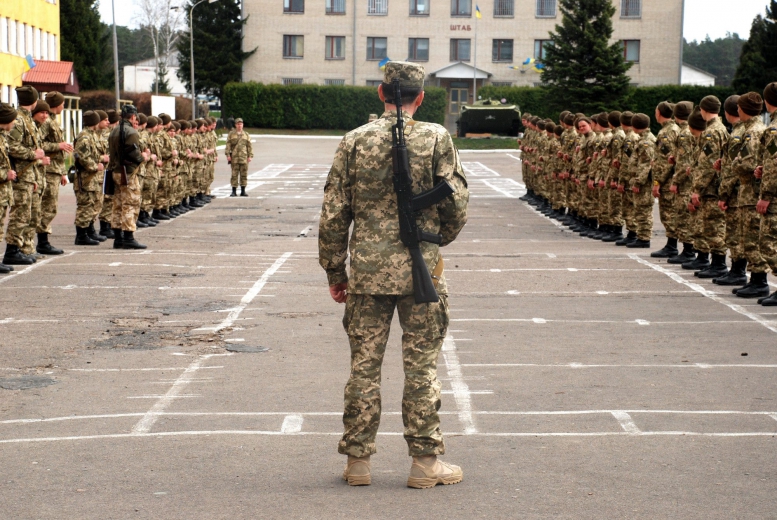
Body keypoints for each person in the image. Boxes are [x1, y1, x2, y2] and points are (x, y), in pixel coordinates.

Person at [318, 61, 469, 489]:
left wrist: (335, 270)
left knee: (364, 367)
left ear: (381, 95)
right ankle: (424, 462)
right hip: (422, 269)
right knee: (421, 367)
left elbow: (333, 213)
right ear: (420, 98)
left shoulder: (354, 141)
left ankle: (358, 462)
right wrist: (436, 238)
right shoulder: (437, 137)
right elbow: (456, 201)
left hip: (366, 272)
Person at [4, 86, 45, 265]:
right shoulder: (19, 121)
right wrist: (32, 154)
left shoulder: (26, 119)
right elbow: (11, 147)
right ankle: (12, 251)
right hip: (20, 175)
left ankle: (20, 248)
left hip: (28, 174)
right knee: (20, 215)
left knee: (27, 215)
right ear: (34, 101)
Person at [36, 91, 72, 255]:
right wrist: (58, 146)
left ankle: (43, 240)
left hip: (55, 169)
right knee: (48, 207)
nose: (64, 106)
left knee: (51, 207)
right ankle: (42, 241)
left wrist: (63, 172)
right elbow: (39, 144)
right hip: (47, 170)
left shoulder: (53, 121)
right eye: (62, 103)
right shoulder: (47, 122)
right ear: (56, 104)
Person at [108, 105, 145, 249]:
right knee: (130, 203)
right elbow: (134, 154)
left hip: (115, 171)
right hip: (128, 172)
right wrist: (143, 157)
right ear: (133, 116)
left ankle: (118, 238)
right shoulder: (131, 132)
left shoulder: (114, 131)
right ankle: (128, 237)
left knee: (117, 204)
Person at [756, 82, 777, 305]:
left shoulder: (774, 128)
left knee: (767, 242)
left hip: (775, 195)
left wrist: (766, 195)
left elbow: (774, 164)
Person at [651, 102, 680, 257]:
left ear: (659, 112)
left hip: (667, 179)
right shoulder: (673, 129)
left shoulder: (667, 132)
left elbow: (666, 161)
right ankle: (672, 244)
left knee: (668, 213)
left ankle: (672, 246)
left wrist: (658, 182)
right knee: (670, 213)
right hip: (670, 178)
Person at [73, 111, 107, 246]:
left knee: (91, 205)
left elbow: (91, 154)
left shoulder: (91, 136)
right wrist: (95, 166)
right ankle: (81, 235)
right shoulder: (85, 137)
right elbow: (82, 157)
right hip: (86, 178)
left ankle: (88, 231)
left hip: (92, 178)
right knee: (85, 206)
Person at [0, 103, 18, 273]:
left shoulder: (2, 137)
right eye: (12, 120)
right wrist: (4, 175)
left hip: (3, 191)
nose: (13, 124)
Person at [225, 118, 252, 196]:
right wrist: (228, 155)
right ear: (235, 125)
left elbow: (249, 146)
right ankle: (234, 191)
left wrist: (250, 156)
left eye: (241, 124)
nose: (239, 125)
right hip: (235, 158)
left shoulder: (246, 134)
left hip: (244, 157)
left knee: (244, 174)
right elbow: (228, 145)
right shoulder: (231, 134)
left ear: (242, 125)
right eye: (238, 124)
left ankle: (243, 190)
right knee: (234, 174)